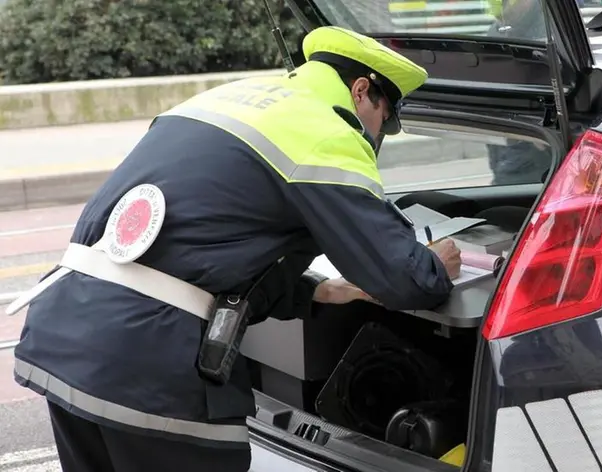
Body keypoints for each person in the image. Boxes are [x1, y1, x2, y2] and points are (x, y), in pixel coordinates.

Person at [8, 25, 462, 472]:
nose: (380, 134)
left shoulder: (226, 99)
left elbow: (203, 242)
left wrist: (315, 292)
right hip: (147, 368)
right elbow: (404, 279)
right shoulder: (327, 131)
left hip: (67, 338)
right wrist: (436, 264)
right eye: (386, 118)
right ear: (362, 91)